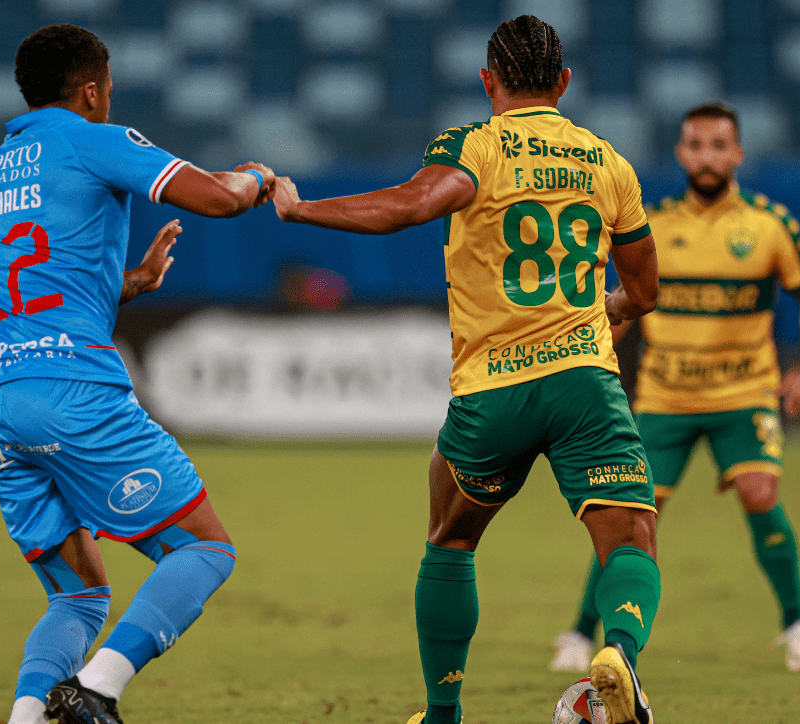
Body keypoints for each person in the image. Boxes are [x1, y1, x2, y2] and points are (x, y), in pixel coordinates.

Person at [271, 15, 660, 724]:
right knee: (630, 535)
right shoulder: (608, 162)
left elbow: (412, 205)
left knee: (451, 539)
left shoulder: (472, 146)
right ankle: (620, 654)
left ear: (489, 83)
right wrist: (603, 310)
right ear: (565, 83)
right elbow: (645, 289)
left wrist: (302, 211)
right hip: (583, 381)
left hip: (492, 389)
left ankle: (443, 713)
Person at [0, 24, 275, 724]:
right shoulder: (92, 137)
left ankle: (25, 721)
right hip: (70, 393)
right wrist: (259, 177)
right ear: (93, 89)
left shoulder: (3, 164)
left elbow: (39, 278)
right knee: (203, 547)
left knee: (77, 596)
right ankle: (97, 688)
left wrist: (129, 282)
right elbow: (220, 198)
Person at [549, 101, 800, 675]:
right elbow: (620, 312)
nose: (707, 156)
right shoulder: (653, 226)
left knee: (760, 493)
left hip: (744, 394)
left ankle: (796, 623)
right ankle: (580, 632)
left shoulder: (770, 224)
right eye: (695, 145)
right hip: (665, 399)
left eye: (718, 145)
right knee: (629, 515)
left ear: (738, 153)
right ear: (680, 153)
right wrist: (582, 365)